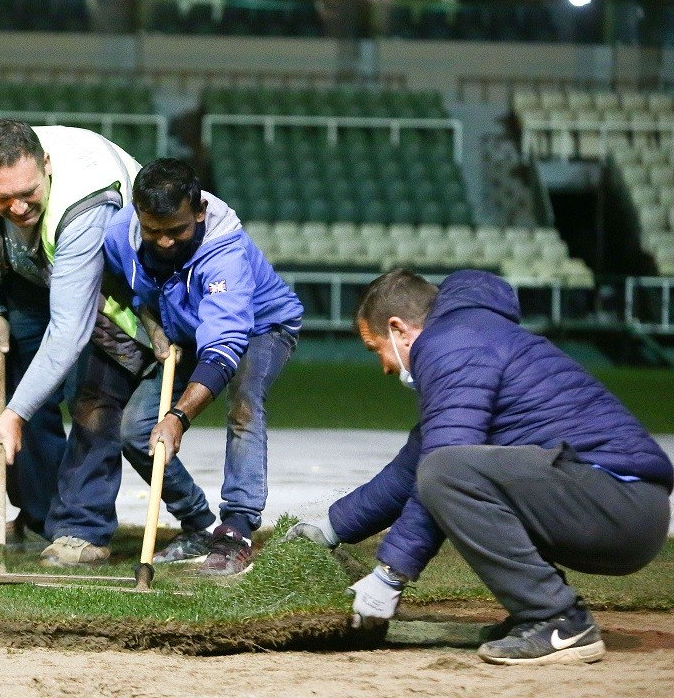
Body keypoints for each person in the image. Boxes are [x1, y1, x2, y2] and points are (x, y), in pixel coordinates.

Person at [285, 268, 672, 665]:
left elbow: (442, 470)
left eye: (376, 348)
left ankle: (557, 619)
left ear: (398, 329)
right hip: (616, 501)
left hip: (620, 504)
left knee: (446, 471)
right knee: (444, 468)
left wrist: (390, 575)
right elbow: (409, 471)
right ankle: (541, 610)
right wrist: (330, 528)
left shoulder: (453, 344)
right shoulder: (466, 335)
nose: (384, 366)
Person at [0, 119, 150, 566]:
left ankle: (82, 528)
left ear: (48, 166)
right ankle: (42, 518)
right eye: (3, 198)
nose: (18, 207)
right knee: (3, 381)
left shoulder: (85, 203)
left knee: (93, 397)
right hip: (31, 275)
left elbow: (69, 330)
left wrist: (15, 415)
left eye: (28, 192)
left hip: (107, 286)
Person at [102, 157, 304, 577]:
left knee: (244, 402)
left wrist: (178, 417)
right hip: (190, 331)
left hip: (260, 328)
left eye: (176, 231)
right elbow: (121, 282)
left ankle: (236, 530)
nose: (164, 242)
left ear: (200, 211)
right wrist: (151, 323)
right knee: (136, 430)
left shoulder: (225, 254)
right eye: (153, 231)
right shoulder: (120, 232)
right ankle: (198, 524)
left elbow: (225, 348)